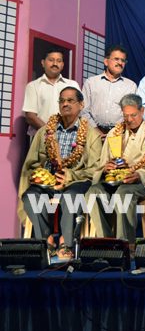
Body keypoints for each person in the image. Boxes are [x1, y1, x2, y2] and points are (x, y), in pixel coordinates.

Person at [19, 87, 102, 258]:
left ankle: (67, 243)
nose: (65, 104)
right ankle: (46, 240)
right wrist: (39, 174)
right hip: (48, 181)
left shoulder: (91, 134)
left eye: (70, 100)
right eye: (62, 101)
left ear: (81, 105)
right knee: (31, 196)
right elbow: (32, 162)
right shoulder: (45, 131)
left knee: (70, 197)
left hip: (76, 181)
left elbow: (96, 168)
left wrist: (70, 176)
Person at [87, 94, 145, 244]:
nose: (129, 119)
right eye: (125, 115)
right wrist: (106, 168)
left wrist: (139, 174)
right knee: (93, 193)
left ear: (142, 111)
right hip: (114, 181)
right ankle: (106, 242)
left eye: (133, 115)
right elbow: (102, 163)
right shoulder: (114, 133)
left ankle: (125, 245)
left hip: (141, 183)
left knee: (123, 194)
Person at [81, 45, 137, 138]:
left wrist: (117, 132)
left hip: (119, 134)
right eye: (116, 59)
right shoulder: (91, 82)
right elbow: (83, 110)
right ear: (106, 62)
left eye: (123, 60)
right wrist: (96, 131)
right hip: (92, 133)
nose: (120, 63)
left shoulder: (131, 86)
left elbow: (132, 114)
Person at [22, 49, 80, 138]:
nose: (55, 64)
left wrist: (64, 134)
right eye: (51, 60)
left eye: (59, 61)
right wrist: (50, 133)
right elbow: (30, 116)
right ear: (43, 63)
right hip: (41, 137)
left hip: (69, 137)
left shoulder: (72, 85)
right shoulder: (33, 86)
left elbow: (79, 110)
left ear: (62, 65)